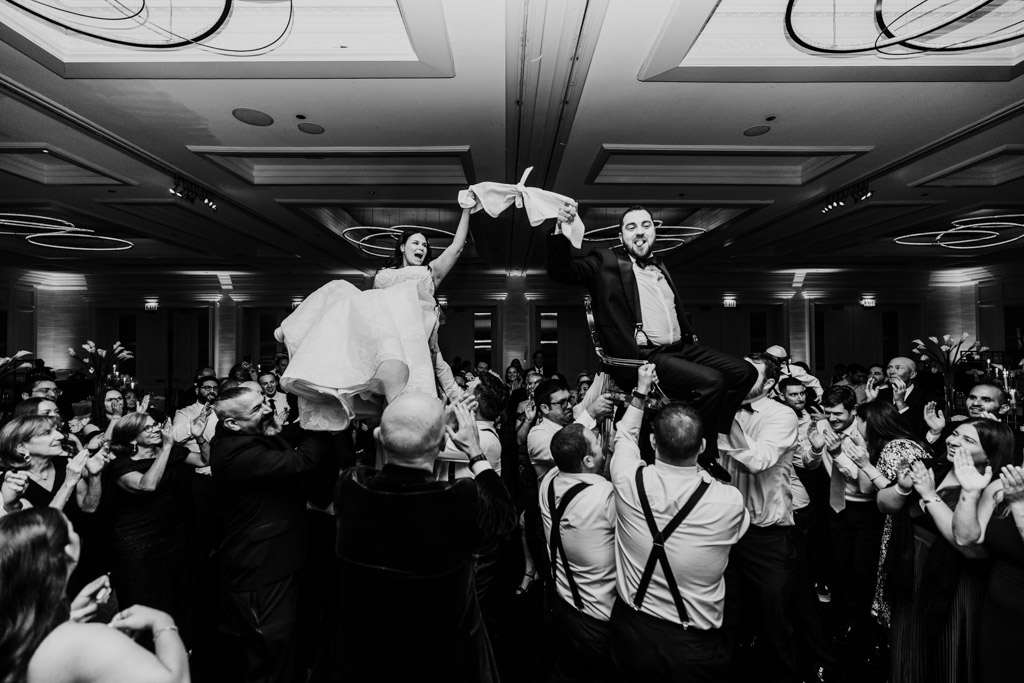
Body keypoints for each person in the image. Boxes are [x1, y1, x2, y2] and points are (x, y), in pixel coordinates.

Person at [546, 204, 757, 480]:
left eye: (646, 225)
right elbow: (561, 271)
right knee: (713, 382)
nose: (640, 232)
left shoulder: (660, 266)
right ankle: (701, 452)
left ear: (655, 231)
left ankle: (711, 431)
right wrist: (560, 228)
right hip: (642, 357)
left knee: (746, 373)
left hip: (682, 348)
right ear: (621, 237)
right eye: (631, 227)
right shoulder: (605, 261)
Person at [326, 395, 516, 682]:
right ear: (442, 446)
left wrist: (425, 425)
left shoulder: (350, 488)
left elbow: (371, 469)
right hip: (441, 660)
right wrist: (475, 453)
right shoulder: (458, 500)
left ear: (379, 436)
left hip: (366, 657)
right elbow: (505, 517)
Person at [276, 204, 473, 431]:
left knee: (409, 414)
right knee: (338, 288)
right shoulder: (383, 274)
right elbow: (374, 309)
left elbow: (457, 247)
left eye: (425, 245)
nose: (422, 248)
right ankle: (297, 330)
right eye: (416, 243)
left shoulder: (431, 272)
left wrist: (466, 210)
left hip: (416, 343)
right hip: (388, 342)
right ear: (402, 247)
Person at [609, 364, 749, 682]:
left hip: (631, 632)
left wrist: (642, 389)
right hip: (692, 646)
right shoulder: (729, 501)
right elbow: (740, 532)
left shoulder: (628, 479)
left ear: (653, 442)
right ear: (701, 447)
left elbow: (625, 436)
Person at [210, 385, 335, 683]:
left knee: (283, 648)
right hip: (259, 571)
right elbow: (300, 460)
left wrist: (304, 418)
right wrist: (321, 423)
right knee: (270, 654)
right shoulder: (233, 453)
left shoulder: (244, 434)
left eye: (264, 402)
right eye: (256, 409)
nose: (267, 409)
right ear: (231, 423)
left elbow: (283, 437)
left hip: (277, 560)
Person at [886, 419, 1014, 683]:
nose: (953, 441)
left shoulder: (992, 488)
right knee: (912, 641)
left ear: (990, 453)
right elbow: (884, 504)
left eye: (968, 440)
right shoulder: (937, 466)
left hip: (956, 577)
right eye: (954, 434)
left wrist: (930, 496)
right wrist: (903, 488)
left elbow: (967, 546)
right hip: (914, 566)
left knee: (946, 644)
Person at [0, 507, 189, 683]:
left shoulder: (16, 630)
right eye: (72, 528)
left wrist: (68, 615)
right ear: (68, 550)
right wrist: (162, 621)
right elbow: (177, 680)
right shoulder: (86, 643)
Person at [539, 423, 616, 683]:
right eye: (596, 442)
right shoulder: (604, 496)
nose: (601, 443)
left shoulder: (548, 481)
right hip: (597, 619)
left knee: (568, 669)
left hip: (562, 605)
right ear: (587, 459)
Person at [105, 412, 190, 631]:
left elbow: (204, 459)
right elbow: (147, 485)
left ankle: (171, 643)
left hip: (171, 534)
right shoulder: (120, 465)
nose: (155, 430)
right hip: (137, 540)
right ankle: (139, 648)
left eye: (156, 426)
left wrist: (199, 437)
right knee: (141, 595)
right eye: (148, 428)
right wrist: (167, 448)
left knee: (173, 593)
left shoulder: (170, 453)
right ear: (132, 439)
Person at [952, 432, 1024, 683]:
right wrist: (970, 493)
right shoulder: (1000, 487)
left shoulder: (1015, 494)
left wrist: (1018, 505)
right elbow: (966, 540)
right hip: (998, 611)